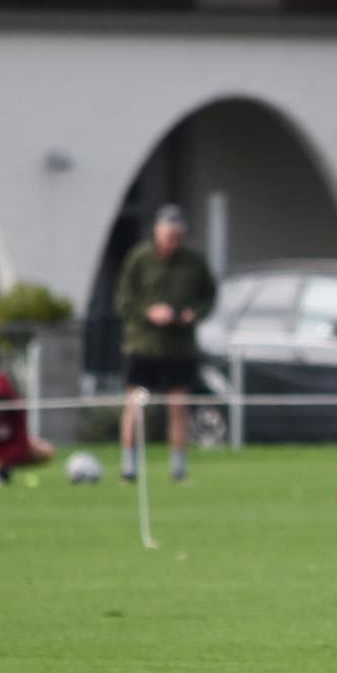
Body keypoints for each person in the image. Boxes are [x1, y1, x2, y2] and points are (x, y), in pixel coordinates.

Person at [115, 203, 216, 482]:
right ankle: (129, 468)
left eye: (177, 237)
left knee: (179, 405)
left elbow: (209, 295)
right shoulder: (139, 259)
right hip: (142, 345)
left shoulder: (195, 261)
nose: (173, 242)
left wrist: (193, 314)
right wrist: (149, 313)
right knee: (134, 405)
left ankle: (179, 470)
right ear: (157, 233)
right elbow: (124, 300)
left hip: (179, 347)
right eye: (168, 236)